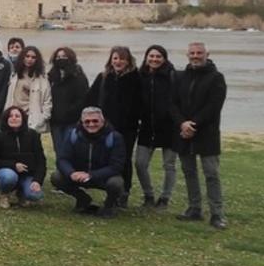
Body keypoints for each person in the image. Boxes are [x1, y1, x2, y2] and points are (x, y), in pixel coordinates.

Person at [170, 42, 228, 230]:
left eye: (199, 53)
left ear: (207, 54)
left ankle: (217, 214)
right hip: (184, 132)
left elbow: (214, 106)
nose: (195, 56)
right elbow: (172, 104)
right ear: (187, 54)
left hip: (206, 133)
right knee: (189, 172)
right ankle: (194, 208)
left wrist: (192, 124)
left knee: (211, 173)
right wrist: (182, 123)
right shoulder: (180, 77)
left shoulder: (216, 78)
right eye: (192, 53)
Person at [86, 45, 141, 207]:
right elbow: (90, 99)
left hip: (126, 129)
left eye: (122, 58)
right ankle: (110, 191)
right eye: (115, 58)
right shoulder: (103, 77)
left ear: (128, 61)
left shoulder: (136, 78)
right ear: (111, 60)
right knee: (105, 159)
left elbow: (139, 106)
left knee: (124, 160)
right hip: (104, 128)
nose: (118, 62)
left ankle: (124, 192)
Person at [51, 107, 126, 219]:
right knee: (56, 177)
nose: (91, 124)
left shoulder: (115, 137)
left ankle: (109, 205)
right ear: (82, 122)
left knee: (116, 183)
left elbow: (117, 166)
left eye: (95, 121)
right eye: (87, 121)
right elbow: (62, 159)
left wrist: (91, 175)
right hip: (78, 176)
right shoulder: (73, 135)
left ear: (103, 121)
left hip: (102, 177)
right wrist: (71, 173)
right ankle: (82, 199)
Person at [136, 45, 177, 209]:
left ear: (164, 58)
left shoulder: (173, 76)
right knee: (140, 163)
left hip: (170, 127)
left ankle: (165, 198)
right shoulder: (140, 76)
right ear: (146, 58)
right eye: (151, 56)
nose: (154, 59)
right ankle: (149, 195)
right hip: (147, 127)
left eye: (158, 56)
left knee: (169, 165)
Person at [0, 107, 47, 209]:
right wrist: (13, 165)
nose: (14, 118)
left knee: (35, 195)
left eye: (17, 116)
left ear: (23, 119)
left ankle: (21, 192)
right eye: (10, 116)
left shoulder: (33, 135)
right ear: (6, 119)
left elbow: (41, 160)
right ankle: (5, 194)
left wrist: (37, 180)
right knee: (9, 177)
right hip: (5, 172)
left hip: (27, 173)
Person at [47, 47, 88, 159]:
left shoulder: (78, 76)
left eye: (64, 56)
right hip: (55, 121)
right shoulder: (51, 76)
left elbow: (83, 98)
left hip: (72, 121)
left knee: (71, 150)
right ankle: (61, 174)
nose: (61, 59)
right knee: (59, 150)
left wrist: (71, 112)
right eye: (58, 57)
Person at [4, 45, 52, 134]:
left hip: (33, 118)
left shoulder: (43, 79)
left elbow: (47, 101)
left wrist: (42, 118)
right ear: (22, 57)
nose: (30, 59)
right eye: (27, 56)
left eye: (33, 57)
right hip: (15, 116)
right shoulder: (14, 76)